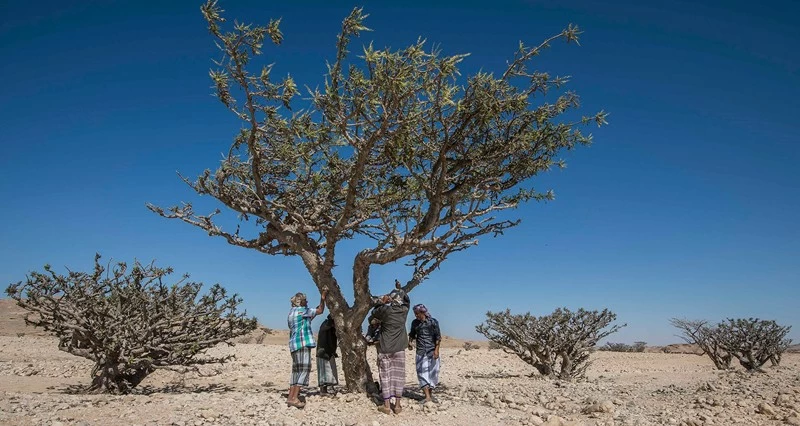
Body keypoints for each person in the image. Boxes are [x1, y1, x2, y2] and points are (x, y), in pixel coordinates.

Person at [370, 289, 410, 415]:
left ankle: (387, 406)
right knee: (399, 376)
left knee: (385, 376)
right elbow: (407, 302)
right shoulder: (404, 311)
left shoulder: (385, 310)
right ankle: (397, 406)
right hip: (399, 348)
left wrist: (382, 302)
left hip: (385, 348)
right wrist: (401, 290)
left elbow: (373, 313)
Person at [286, 289, 326, 409]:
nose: (306, 302)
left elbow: (305, 321)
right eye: (304, 301)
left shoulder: (291, 313)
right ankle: (294, 398)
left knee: (296, 371)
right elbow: (320, 310)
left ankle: (290, 396)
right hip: (303, 343)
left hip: (294, 344)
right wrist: (323, 298)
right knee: (304, 369)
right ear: (300, 302)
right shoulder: (303, 311)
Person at [408, 303, 441, 403]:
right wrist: (409, 342)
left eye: (417, 313)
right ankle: (427, 396)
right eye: (415, 313)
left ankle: (430, 395)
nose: (416, 315)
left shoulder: (433, 322)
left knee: (433, 374)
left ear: (422, 312)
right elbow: (412, 334)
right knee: (422, 374)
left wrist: (436, 350)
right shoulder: (415, 323)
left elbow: (438, 337)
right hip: (421, 352)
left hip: (432, 351)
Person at [316, 314, 339, 396]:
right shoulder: (326, 325)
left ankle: (329, 388)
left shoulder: (329, 327)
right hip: (324, 352)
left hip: (329, 352)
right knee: (325, 372)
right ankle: (324, 390)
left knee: (330, 371)